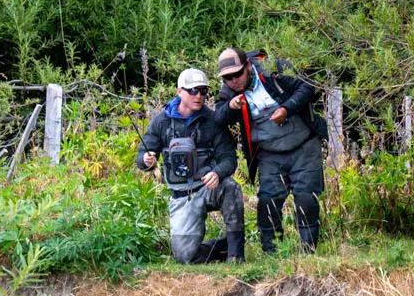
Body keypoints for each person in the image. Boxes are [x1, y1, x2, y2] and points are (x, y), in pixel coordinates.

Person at [214, 48, 325, 254]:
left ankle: (308, 252)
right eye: (228, 78)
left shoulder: (273, 68)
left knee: (306, 197)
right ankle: (272, 253)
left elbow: (307, 86)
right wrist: (230, 106)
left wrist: (286, 108)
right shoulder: (228, 91)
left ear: (248, 66)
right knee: (268, 200)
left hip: (304, 146)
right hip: (269, 153)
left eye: (237, 74)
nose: (234, 81)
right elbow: (218, 118)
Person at [137, 68, 245, 263]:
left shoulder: (213, 120)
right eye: (193, 91)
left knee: (231, 187)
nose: (199, 96)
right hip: (181, 196)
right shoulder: (161, 122)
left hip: (208, 187)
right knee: (185, 258)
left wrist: (218, 173)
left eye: (203, 91)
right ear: (179, 91)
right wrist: (146, 160)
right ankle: (223, 247)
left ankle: (236, 254)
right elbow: (142, 154)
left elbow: (229, 158)